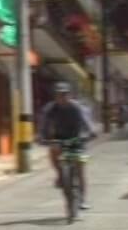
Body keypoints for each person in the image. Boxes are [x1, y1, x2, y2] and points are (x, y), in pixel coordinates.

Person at [38, 82, 95, 210]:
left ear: (69, 95)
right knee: (53, 149)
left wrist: (91, 132)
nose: (62, 97)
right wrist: (41, 137)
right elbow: (43, 124)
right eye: (59, 95)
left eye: (65, 94)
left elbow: (87, 122)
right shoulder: (50, 108)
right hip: (59, 137)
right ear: (55, 96)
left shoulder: (77, 108)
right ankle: (59, 174)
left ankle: (83, 200)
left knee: (80, 170)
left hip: (77, 137)